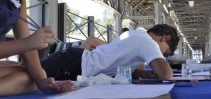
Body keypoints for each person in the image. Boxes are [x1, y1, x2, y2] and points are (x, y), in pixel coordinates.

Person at [41, 24, 180, 81]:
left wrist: (145, 74)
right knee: (27, 71)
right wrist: (161, 69)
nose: (162, 56)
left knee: (29, 76)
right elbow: (167, 74)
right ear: (165, 38)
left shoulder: (136, 35)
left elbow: (124, 69)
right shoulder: (148, 42)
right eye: (165, 53)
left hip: (77, 66)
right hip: (75, 63)